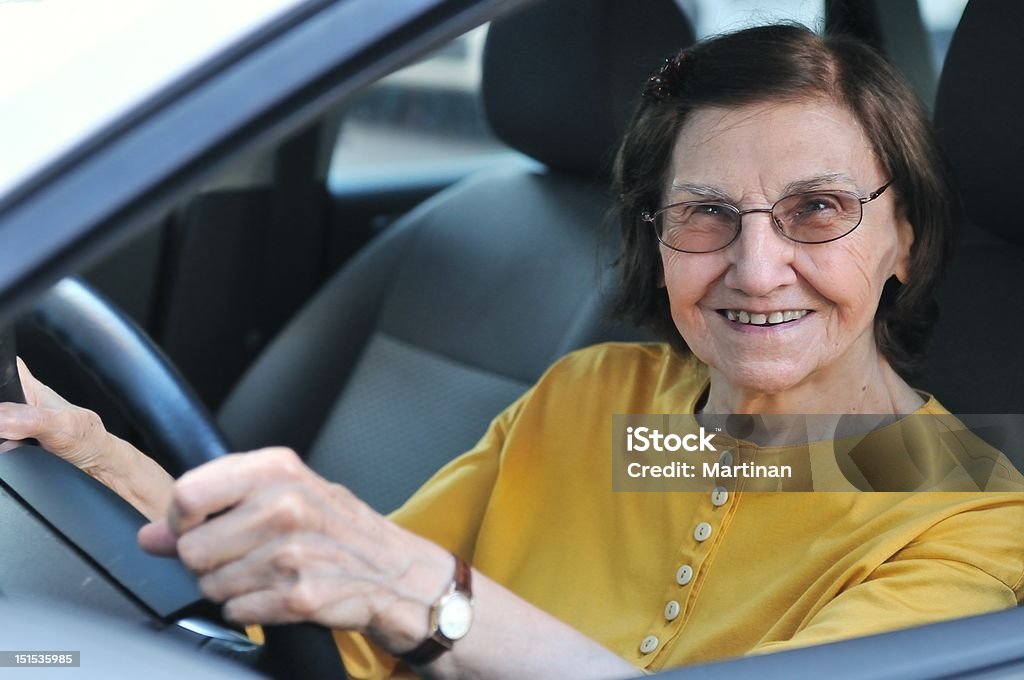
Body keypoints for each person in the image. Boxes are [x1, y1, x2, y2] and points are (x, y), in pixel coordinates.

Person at [2, 23, 1023, 680]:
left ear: (908, 238)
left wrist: (432, 601)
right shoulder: (598, 398)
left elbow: (407, 592)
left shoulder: (972, 517)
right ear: (655, 238)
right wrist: (94, 454)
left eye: (817, 210)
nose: (756, 269)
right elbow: (336, 603)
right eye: (705, 213)